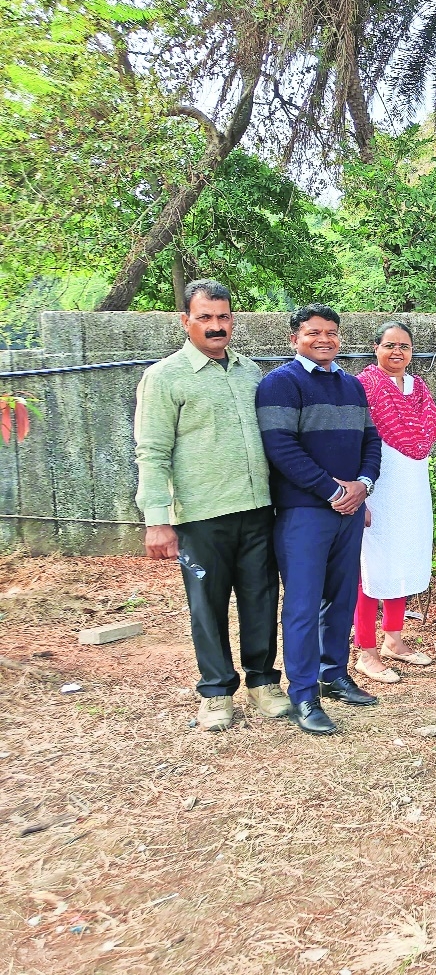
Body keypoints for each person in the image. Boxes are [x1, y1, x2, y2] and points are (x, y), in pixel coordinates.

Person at [133, 279, 288, 732]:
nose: (215, 326)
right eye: (205, 317)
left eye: (223, 317)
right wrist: (157, 520)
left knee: (261, 598)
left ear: (232, 321)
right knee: (208, 604)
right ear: (186, 322)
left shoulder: (251, 373)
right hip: (201, 516)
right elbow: (152, 451)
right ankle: (217, 690)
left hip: (258, 509)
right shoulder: (164, 377)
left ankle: (262, 683)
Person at [256, 304, 382, 735]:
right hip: (305, 512)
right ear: (295, 338)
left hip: (348, 511)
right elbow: (281, 448)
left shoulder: (351, 385)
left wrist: (363, 485)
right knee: (304, 605)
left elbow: (371, 440)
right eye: (313, 332)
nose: (324, 339)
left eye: (331, 332)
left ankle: (334, 673)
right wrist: (334, 491)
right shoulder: (280, 384)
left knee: (342, 598)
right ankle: (304, 693)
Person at [352, 321, 436, 683]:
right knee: (371, 567)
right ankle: (366, 651)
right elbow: (357, 439)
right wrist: (360, 495)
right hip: (378, 485)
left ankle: (394, 641)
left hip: (411, 487)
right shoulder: (364, 386)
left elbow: (426, 432)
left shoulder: (418, 386)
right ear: (375, 348)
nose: (397, 352)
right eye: (390, 345)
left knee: (404, 560)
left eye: (405, 346)